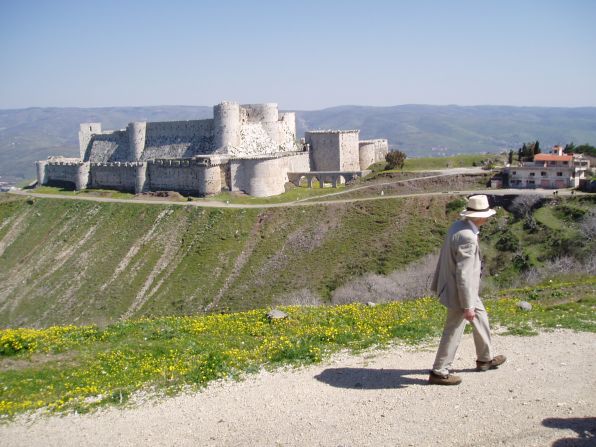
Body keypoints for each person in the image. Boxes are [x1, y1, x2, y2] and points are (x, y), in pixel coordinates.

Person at [429, 194, 506, 385]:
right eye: (487, 215)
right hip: (460, 291)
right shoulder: (468, 238)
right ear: (481, 217)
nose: (488, 218)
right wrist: (467, 305)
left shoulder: (458, 226)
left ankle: (485, 359)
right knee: (454, 329)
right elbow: (464, 274)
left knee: (481, 317)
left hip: (460, 288)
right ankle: (439, 371)